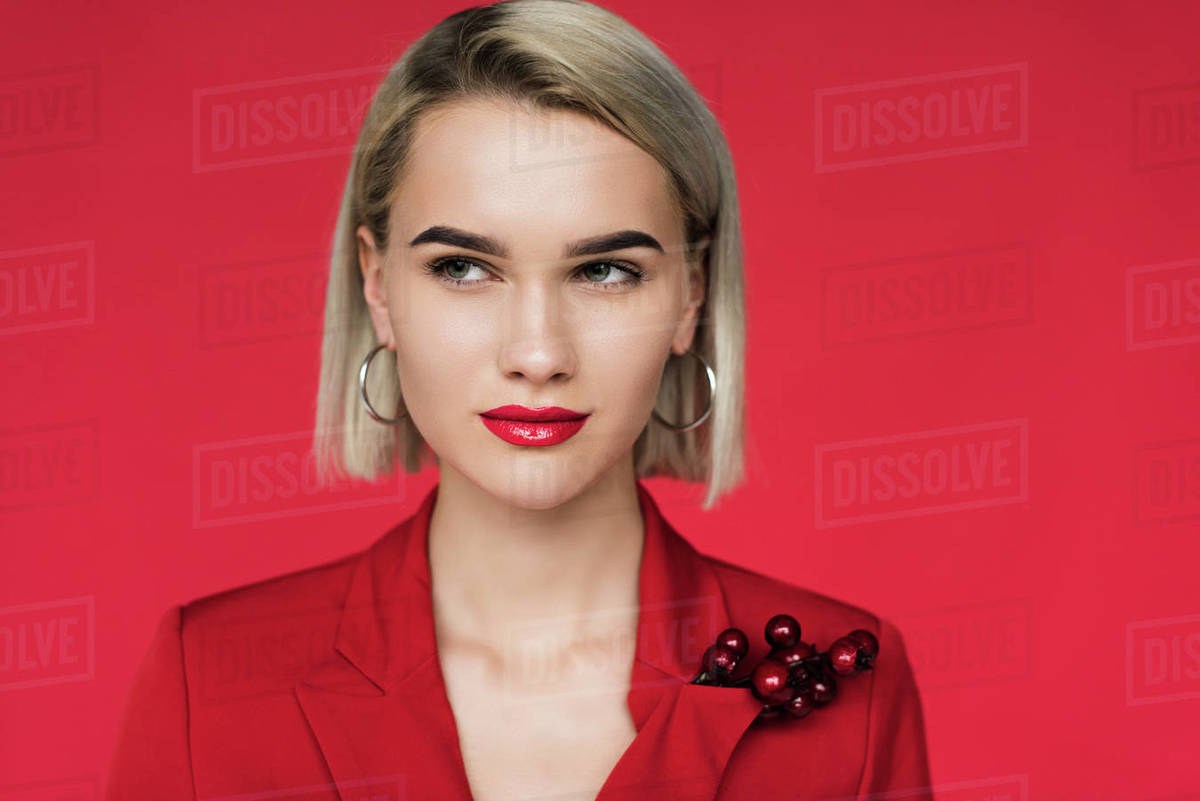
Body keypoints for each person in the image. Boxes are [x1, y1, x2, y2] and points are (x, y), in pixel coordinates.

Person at [104, 1, 934, 799]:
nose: (538, 354)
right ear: (377, 283)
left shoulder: (848, 685)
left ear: (691, 294)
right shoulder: (207, 683)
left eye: (606, 270)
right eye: (464, 267)